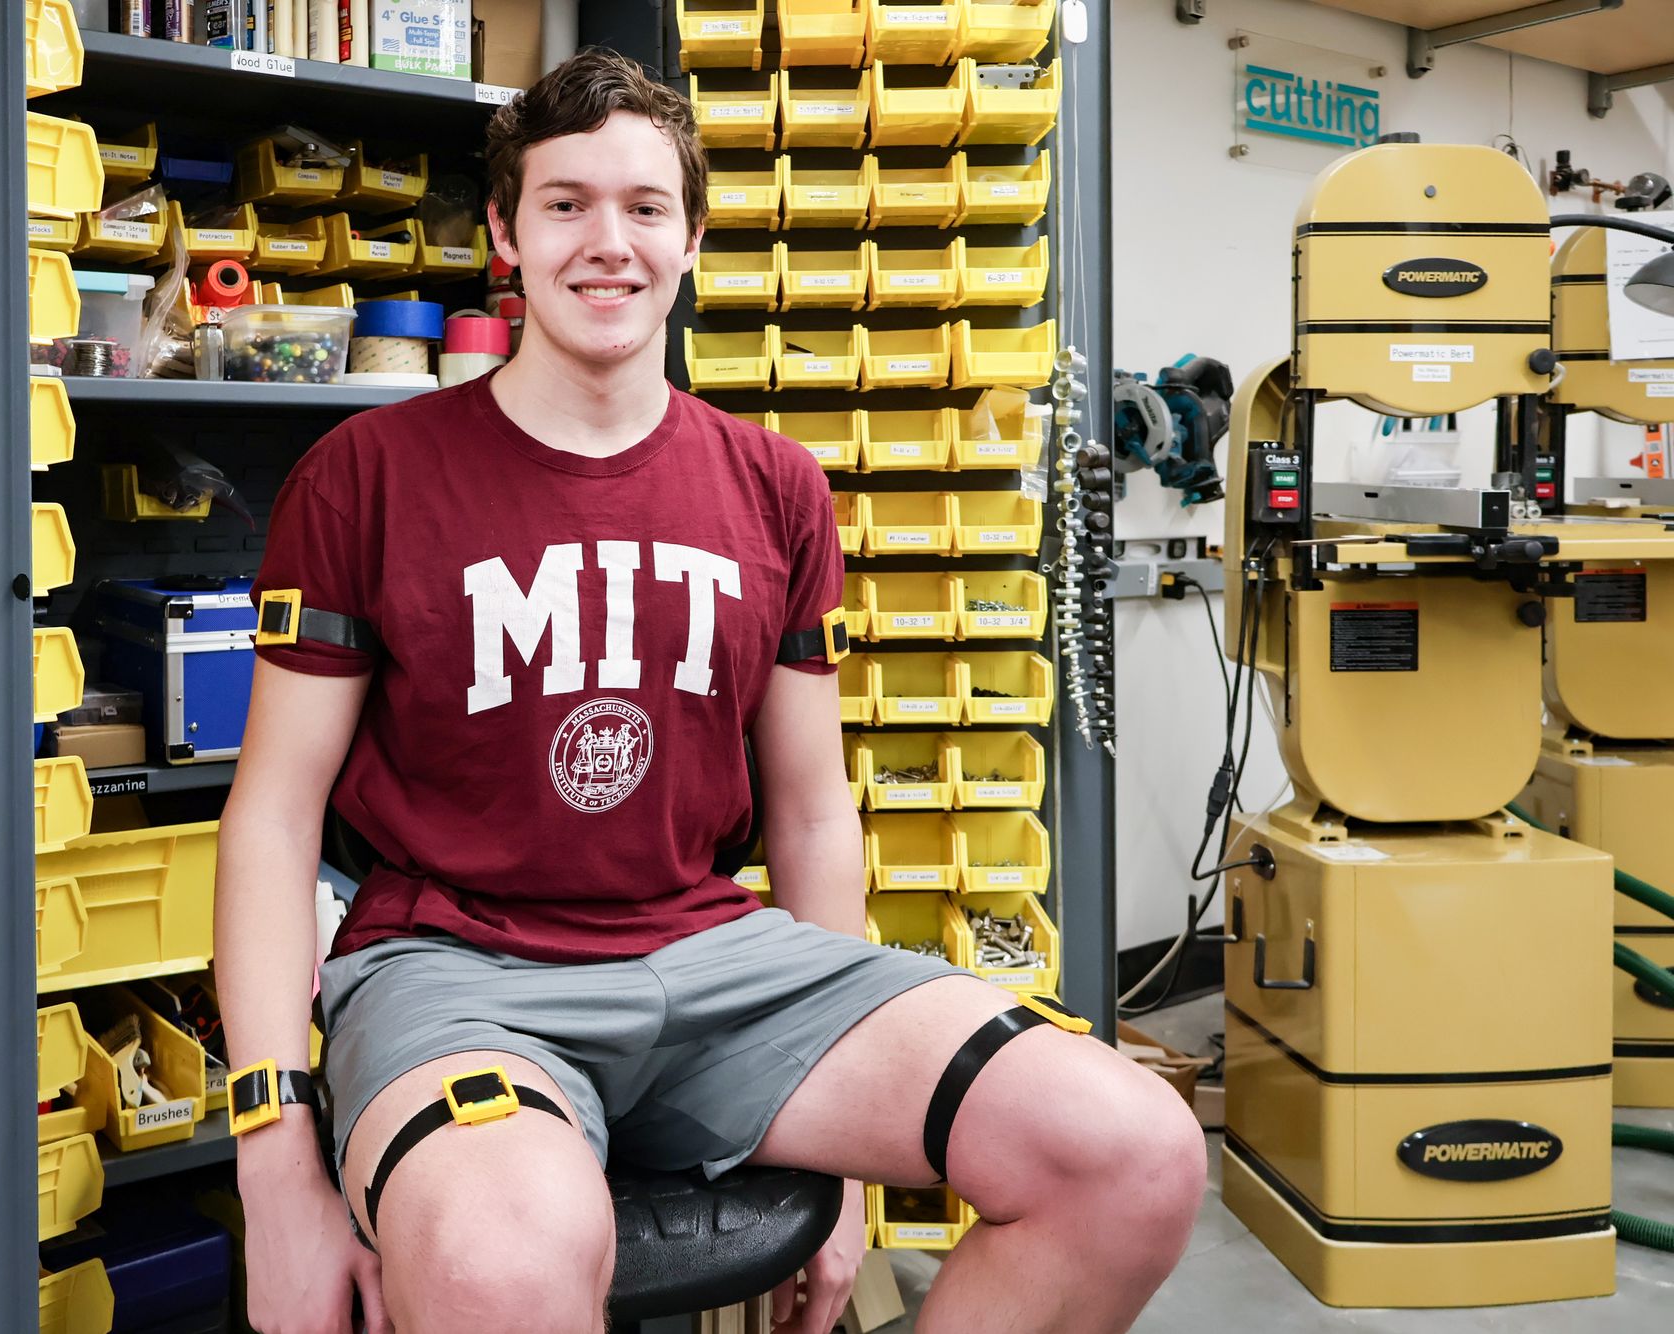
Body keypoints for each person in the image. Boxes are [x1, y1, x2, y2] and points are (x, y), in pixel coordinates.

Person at [215, 49, 1204, 1334]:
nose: (607, 242)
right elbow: (272, 816)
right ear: (505, 234)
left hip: (716, 956)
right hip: (455, 968)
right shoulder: (363, 474)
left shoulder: (775, 487)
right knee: (502, 1262)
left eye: (643, 206)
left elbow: (810, 810)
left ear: (689, 239)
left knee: (1133, 1152)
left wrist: (847, 1179)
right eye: (564, 204)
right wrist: (275, 1171)